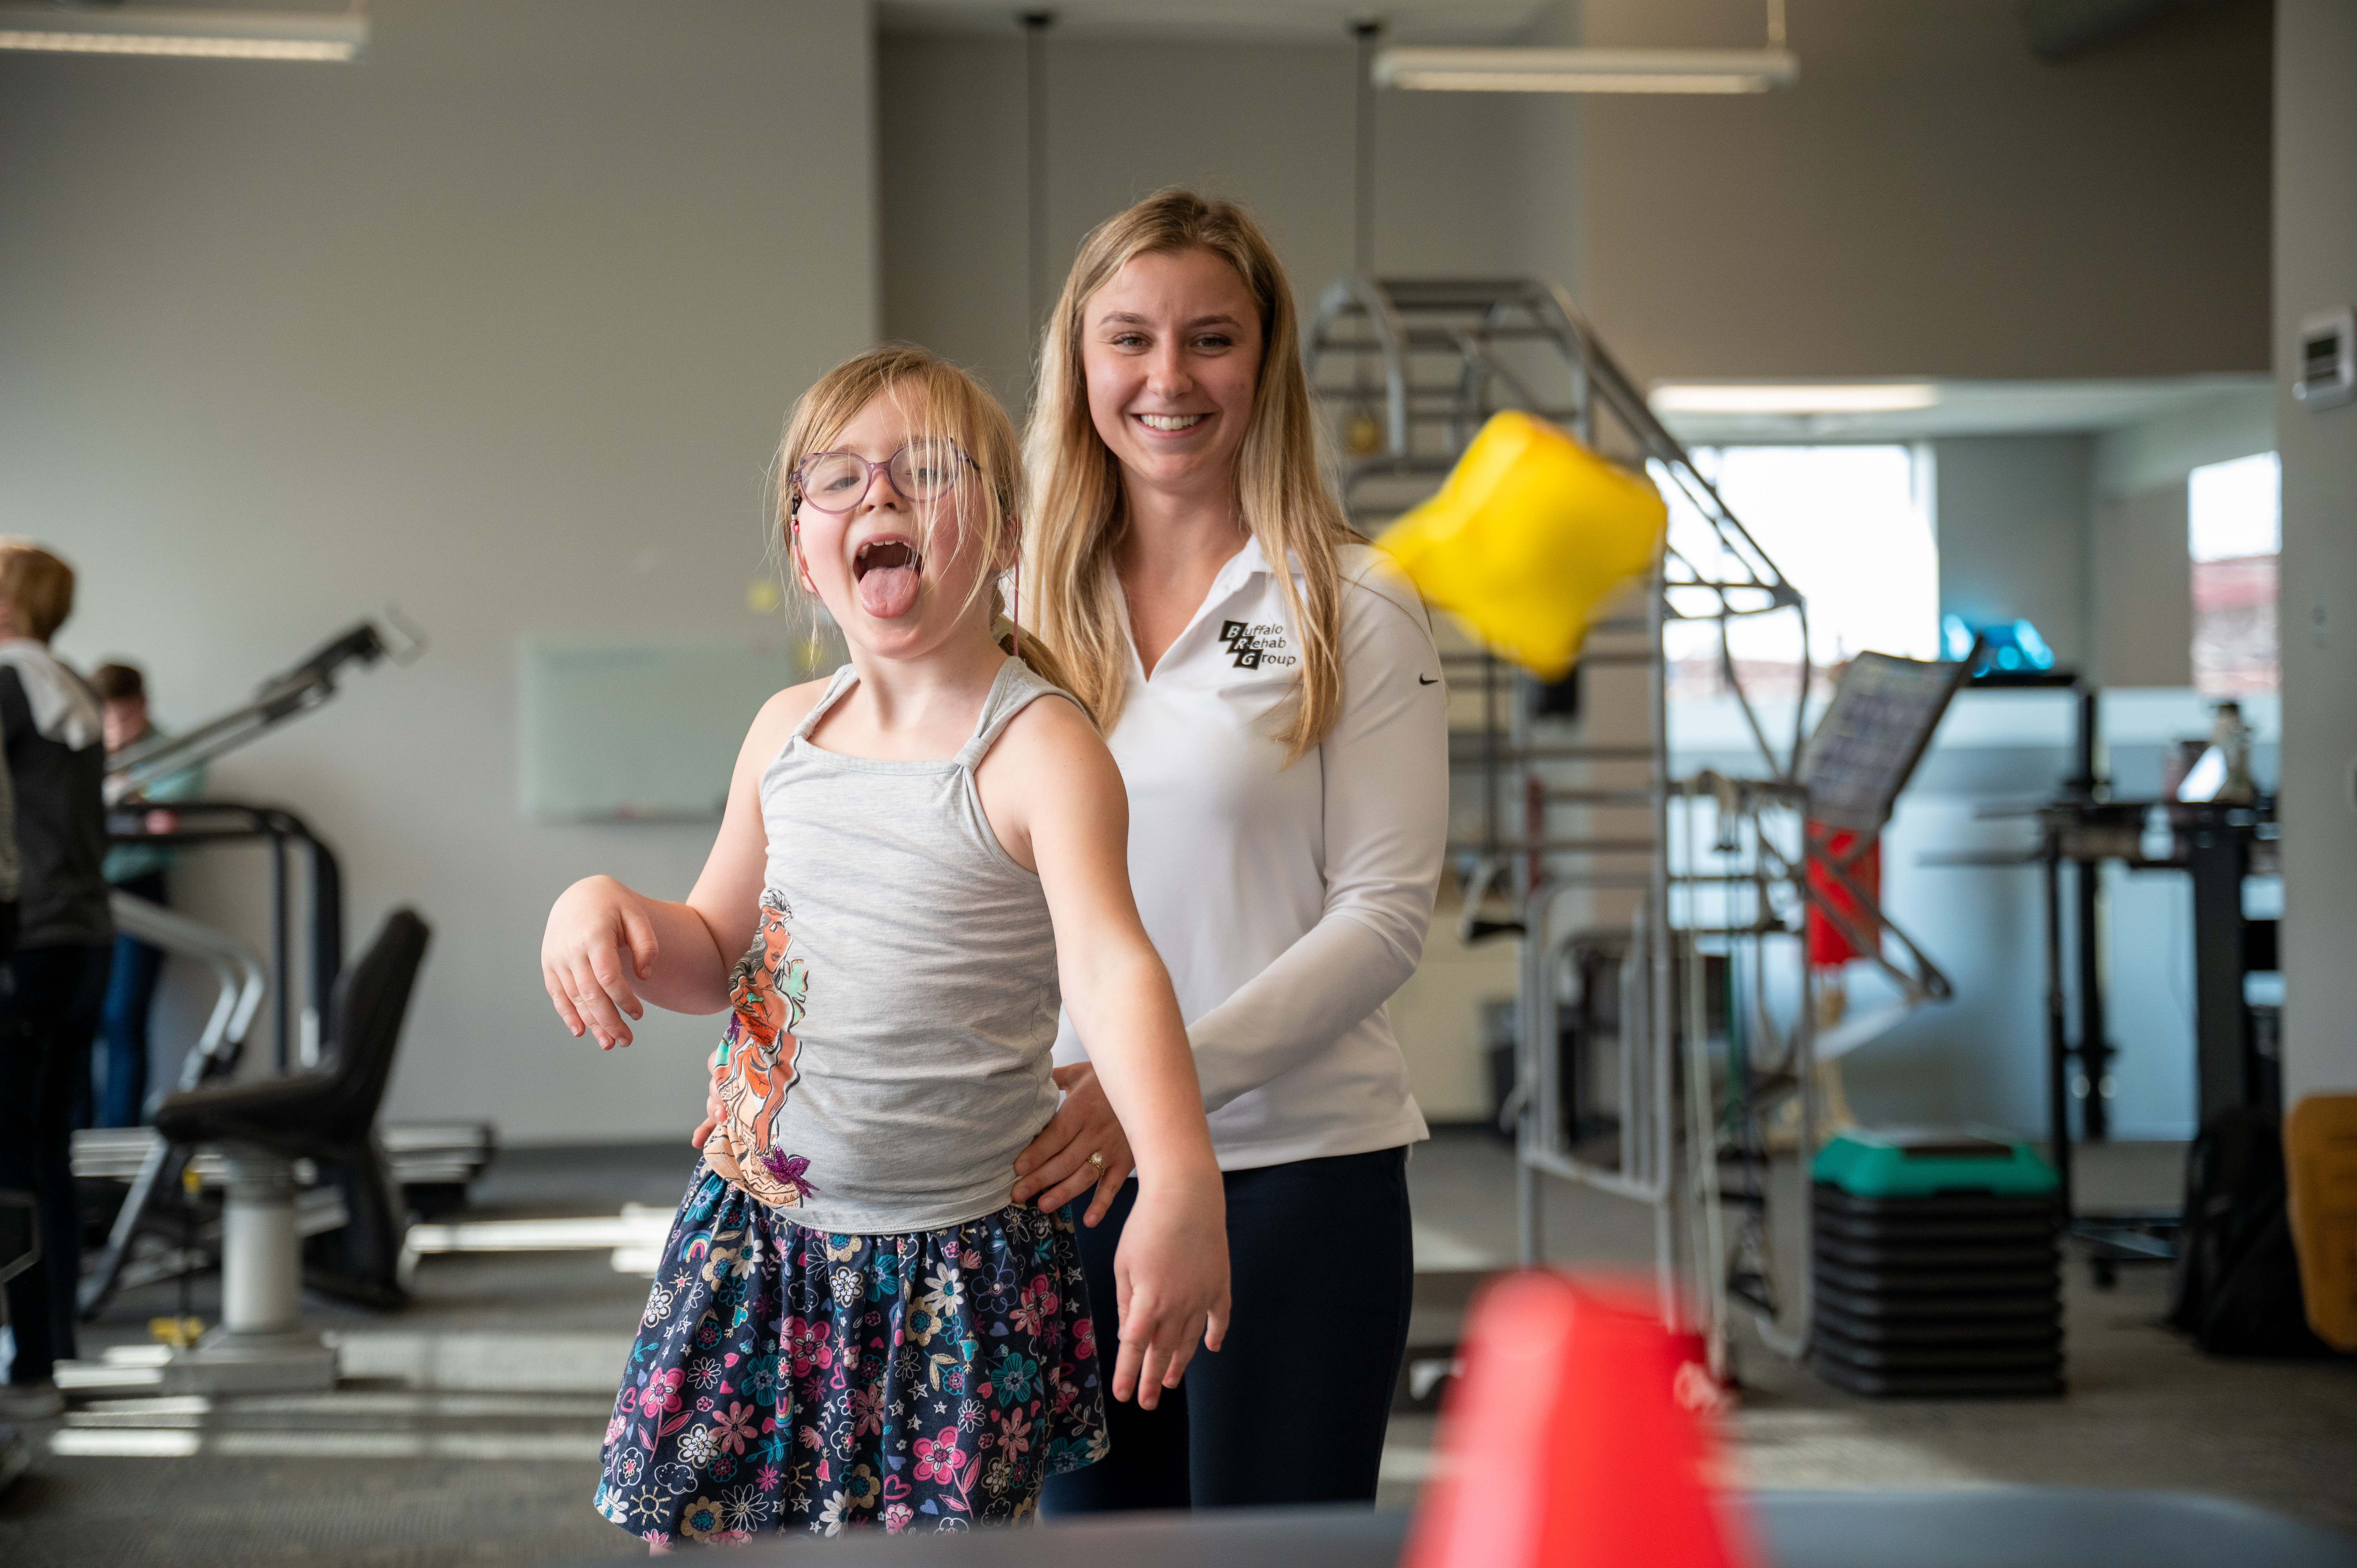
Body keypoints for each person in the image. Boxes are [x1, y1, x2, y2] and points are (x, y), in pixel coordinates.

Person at [541, 346, 1230, 1545]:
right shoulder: (785, 733)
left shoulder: (1037, 750)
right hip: (758, 1241)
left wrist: (1180, 1178)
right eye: (837, 478)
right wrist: (603, 906)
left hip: (951, 1278)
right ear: (803, 542)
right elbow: (715, 948)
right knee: (714, 1537)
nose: (878, 496)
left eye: (924, 470)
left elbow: (1115, 972)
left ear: (1007, 535)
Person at [1016, 191, 1450, 1511]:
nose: (1165, 377)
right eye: (1128, 339)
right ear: (1078, 363)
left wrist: (1157, 1088)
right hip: (1061, 1175)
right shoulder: (1014, 614)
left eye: (1209, 339)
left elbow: (1379, 917)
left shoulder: (1351, 604)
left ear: (1263, 363)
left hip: (1295, 1178)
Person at [0, 541, 114, 1421]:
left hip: (30, 936)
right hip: (83, 937)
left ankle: (31, 1363)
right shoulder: (68, 681)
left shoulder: (8, 681)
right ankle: (48, 1347)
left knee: (16, 1155)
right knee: (47, 1146)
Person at [83, 662, 206, 1129]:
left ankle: (118, 1140)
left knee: (123, 1017)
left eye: (126, 718)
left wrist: (122, 797)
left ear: (145, 706)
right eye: (107, 718)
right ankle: (74, 1139)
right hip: (84, 892)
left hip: (139, 889)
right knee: (79, 1021)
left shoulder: (177, 754)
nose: (116, 729)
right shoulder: (76, 749)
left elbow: (163, 823)